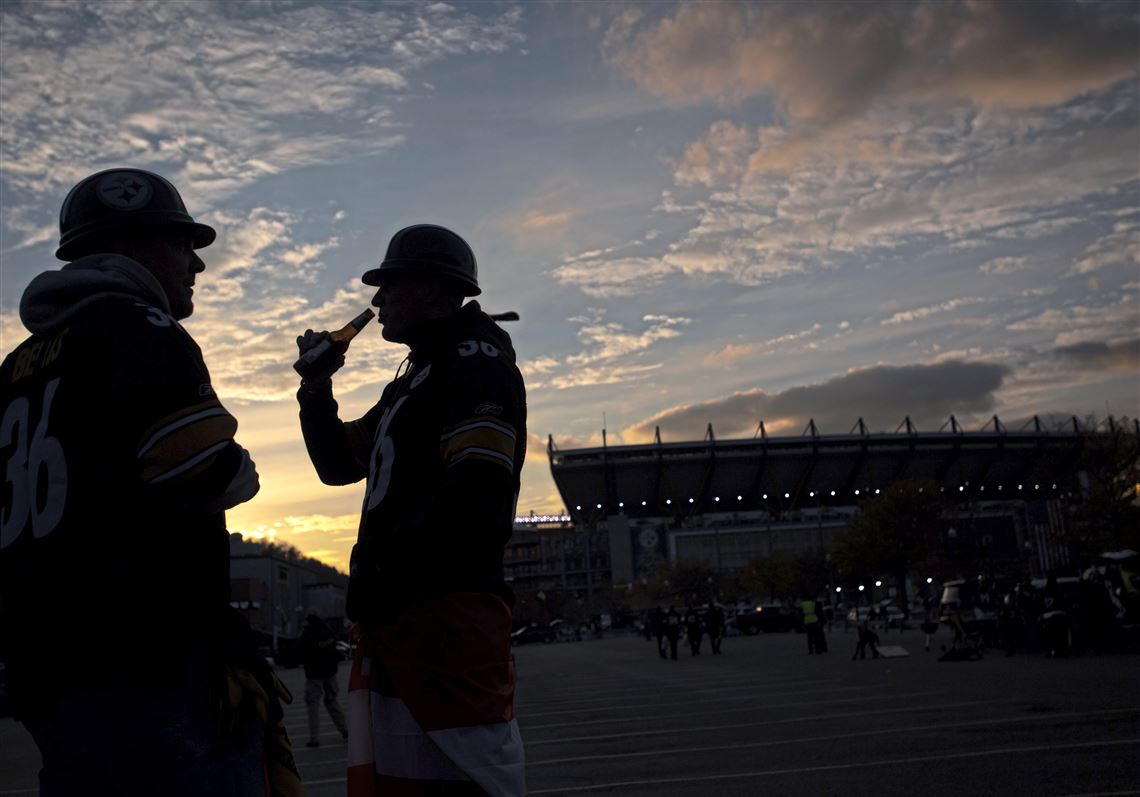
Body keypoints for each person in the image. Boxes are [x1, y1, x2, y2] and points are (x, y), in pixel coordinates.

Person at [0, 168, 298, 795]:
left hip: (44, 665)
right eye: (182, 245)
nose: (197, 265)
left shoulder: (14, 367)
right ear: (134, 245)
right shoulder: (139, 327)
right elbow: (213, 470)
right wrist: (241, 464)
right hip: (147, 657)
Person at [296, 224, 526, 796]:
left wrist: (390, 571)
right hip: (402, 619)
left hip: (442, 620)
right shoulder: (416, 378)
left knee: (462, 780)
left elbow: (478, 495)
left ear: (436, 286)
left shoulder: (473, 362)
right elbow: (338, 465)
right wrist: (316, 387)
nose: (377, 301)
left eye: (390, 284)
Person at [300, 614, 349, 748]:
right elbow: (334, 649)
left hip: (314, 675)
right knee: (332, 702)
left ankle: (314, 739)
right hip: (330, 673)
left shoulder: (308, 633)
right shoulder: (328, 631)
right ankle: (345, 730)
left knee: (313, 706)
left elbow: (301, 652)